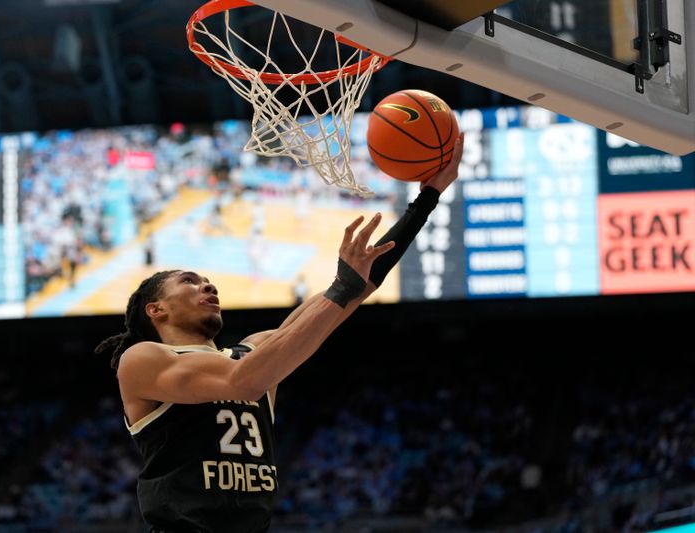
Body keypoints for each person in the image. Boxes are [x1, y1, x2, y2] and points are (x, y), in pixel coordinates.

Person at [95, 135, 465, 533]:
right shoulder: (142, 360)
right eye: (190, 281)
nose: (208, 285)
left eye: (207, 280)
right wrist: (343, 289)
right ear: (157, 309)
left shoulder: (254, 349)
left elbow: (356, 289)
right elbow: (245, 382)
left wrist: (427, 198)